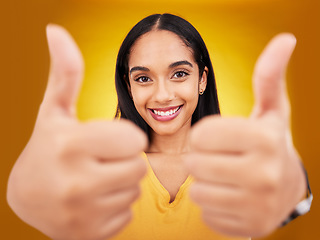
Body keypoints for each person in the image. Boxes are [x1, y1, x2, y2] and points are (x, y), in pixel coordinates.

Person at [7, 13, 312, 240]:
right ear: (128, 85)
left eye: (179, 74)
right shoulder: (100, 173)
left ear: (202, 79)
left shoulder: (237, 166)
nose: (163, 95)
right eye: (143, 78)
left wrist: (293, 177)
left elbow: (299, 206)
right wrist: (22, 197)